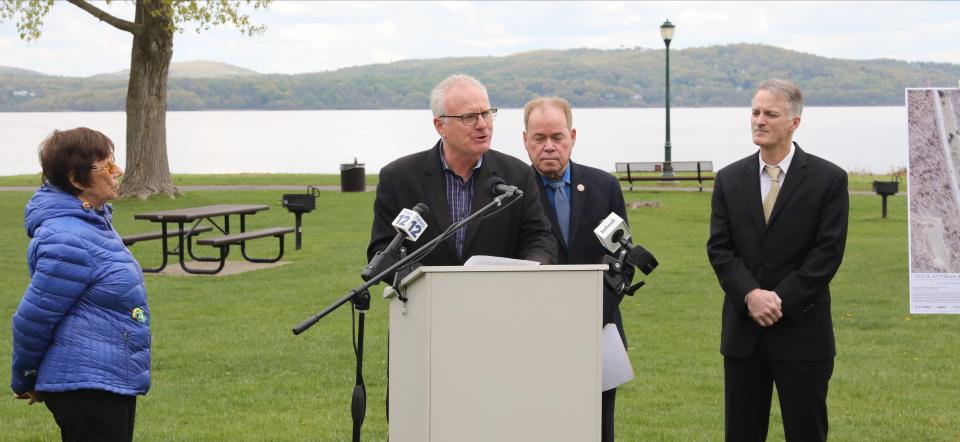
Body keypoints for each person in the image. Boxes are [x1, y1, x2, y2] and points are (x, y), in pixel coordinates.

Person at [707, 79, 849, 441]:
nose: (759, 120)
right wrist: (751, 295)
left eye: (770, 114)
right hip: (744, 333)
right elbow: (720, 249)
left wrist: (779, 301)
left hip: (803, 333)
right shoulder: (729, 179)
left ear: (794, 122)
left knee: (806, 432)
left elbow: (827, 252)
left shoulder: (828, 179)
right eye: (755, 112)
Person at [11, 127, 151, 441]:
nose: (118, 172)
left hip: (105, 380)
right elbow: (33, 317)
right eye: (107, 166)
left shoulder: (91, 224)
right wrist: (26, 377)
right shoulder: (67, 238)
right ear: (76, 179)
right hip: (86, 386)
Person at [522, 96, 633, 442]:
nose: (549, 147)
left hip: (598, 332)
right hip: (534, 337)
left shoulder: (604, 187)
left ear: (572, 136)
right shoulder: (511, 194)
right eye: (539, 139)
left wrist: (589, 314)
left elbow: (623, 262)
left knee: (597, 429)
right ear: (525, 140)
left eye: (557, 137)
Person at [368, 74, 557, 265]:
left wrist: (532, 268)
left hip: (498, 292)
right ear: (440, 125)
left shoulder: (518, 175)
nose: (482, 125)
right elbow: (382, 249)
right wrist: (421, 280)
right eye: (469, 117)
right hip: (427, 293)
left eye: (486, 114)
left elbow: (539, 239)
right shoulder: (398, 178)